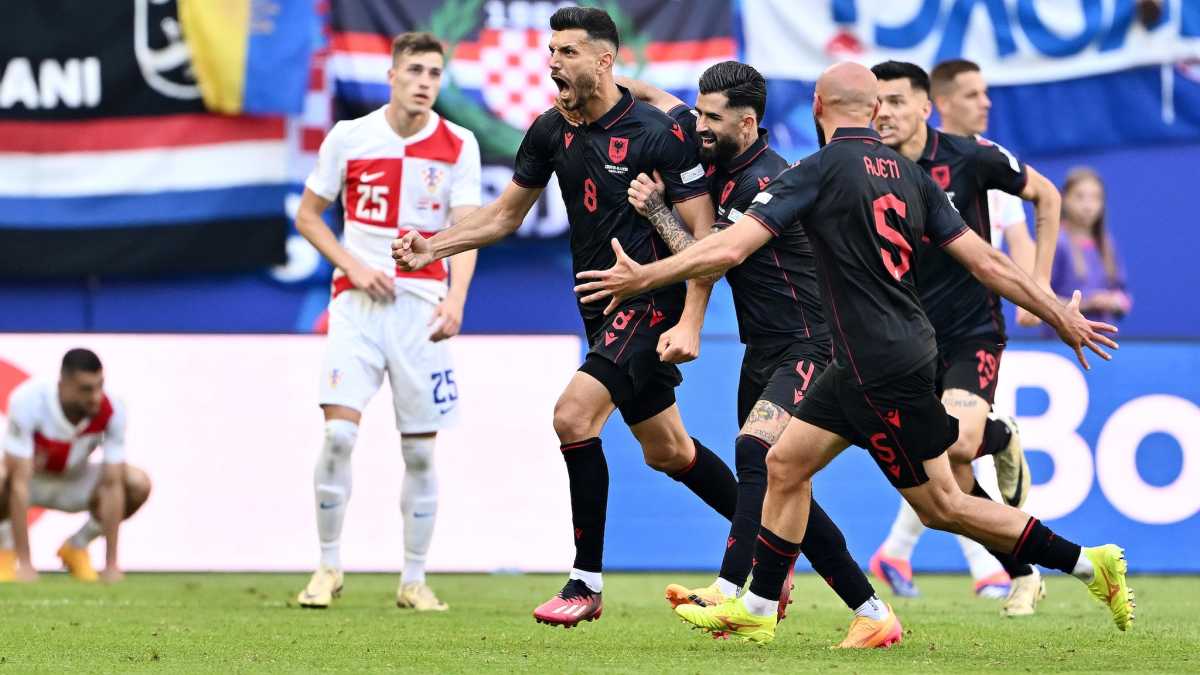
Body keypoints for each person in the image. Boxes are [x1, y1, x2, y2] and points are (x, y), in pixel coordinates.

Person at [574, 62, 1132, 645]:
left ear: (818, 105)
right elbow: (988, 262)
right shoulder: (914, 178)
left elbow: (728, 249)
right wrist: (1057, 313)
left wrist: (645, 277)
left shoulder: (814, 171)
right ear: (872, 111)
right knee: (782, 465)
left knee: (944, 506)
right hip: (867, 358)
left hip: (880, 368)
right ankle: (759, 606)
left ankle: (1089, 564)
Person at [393, 7, 741, 628]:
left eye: (567, 52)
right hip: (599, 308)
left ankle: (586, 582)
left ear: (604, 61)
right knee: (669, 451)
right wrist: (431, 246)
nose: (552, 62)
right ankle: (775, 546)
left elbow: (704, 241)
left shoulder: (658, 132)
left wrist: (689, 321)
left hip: (647, 304)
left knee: (572, 415)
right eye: (550, 51)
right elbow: (503, 217)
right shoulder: (551, 130)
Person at [619, 63, 899, 649]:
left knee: (756, 450)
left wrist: (657, 212)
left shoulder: (766, 181)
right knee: (781, 485)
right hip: (763, 348)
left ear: (747, 124)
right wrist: (621, 81)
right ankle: (873, 612)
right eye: (697, 113)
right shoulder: (717, 155)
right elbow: (668, 103)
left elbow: (712, 259)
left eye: (710, 118)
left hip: (812, 346)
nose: (698, 126)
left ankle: (732, 591)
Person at [293, 32, 482, 611]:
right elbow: (309, 216)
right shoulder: (350, 138)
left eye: (434, 73)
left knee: (421, 452)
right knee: (338, 435)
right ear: (392, 76)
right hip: (355, 306)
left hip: (421, 311)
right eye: (416, 71)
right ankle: (327, 567)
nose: (426, 83)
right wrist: (353, 263)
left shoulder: (458, 143)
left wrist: (456, 300)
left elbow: (466, 230)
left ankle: (414, 578)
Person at [868, 61, 1063, 615]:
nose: (885, 114)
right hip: (908, 339)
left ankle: (997, 436)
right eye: (877, 102)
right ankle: (1021, 572)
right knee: (947, 481)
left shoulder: (970, 157)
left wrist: (1042, 286)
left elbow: (1046, 197)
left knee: (956, 445)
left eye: (898, 102)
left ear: (925, 107)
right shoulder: (868, 167)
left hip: (971, 331)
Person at [0, 348, 151, 584]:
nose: (96, 396)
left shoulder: (112, 409)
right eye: (86, 389)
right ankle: (5, 550)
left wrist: (111, 565)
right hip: (31, 482)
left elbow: (112, 483)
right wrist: (26, 564)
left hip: (75, 483)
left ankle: (77, 547)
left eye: (100, 386)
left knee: (136, 483)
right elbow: (18, 483)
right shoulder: (27, 400)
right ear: (63, 384)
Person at [1051, 168, 1131, 325]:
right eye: (1079, 197)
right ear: (1064, 198)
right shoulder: (1056, 242)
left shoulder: (1106, 244)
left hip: (1102, 342)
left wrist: (1117, 302)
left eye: (1096, 198)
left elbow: (1123, 294)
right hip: (1060, 343)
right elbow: (1040, 299)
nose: (1088, 206)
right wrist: (1088, 303)